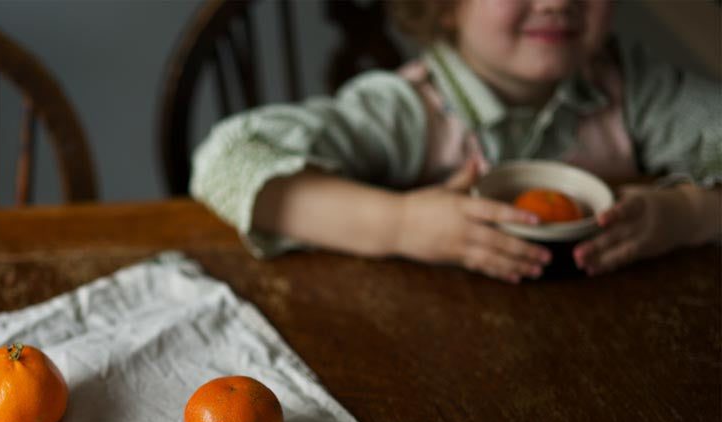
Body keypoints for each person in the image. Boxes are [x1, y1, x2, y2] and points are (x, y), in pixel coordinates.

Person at [190, 0, 721, 282]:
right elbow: (225, 161)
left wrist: (688, 215)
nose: (559, 2)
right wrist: (399, 224)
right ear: (443, 4)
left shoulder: (636, 90)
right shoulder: (411, 111)